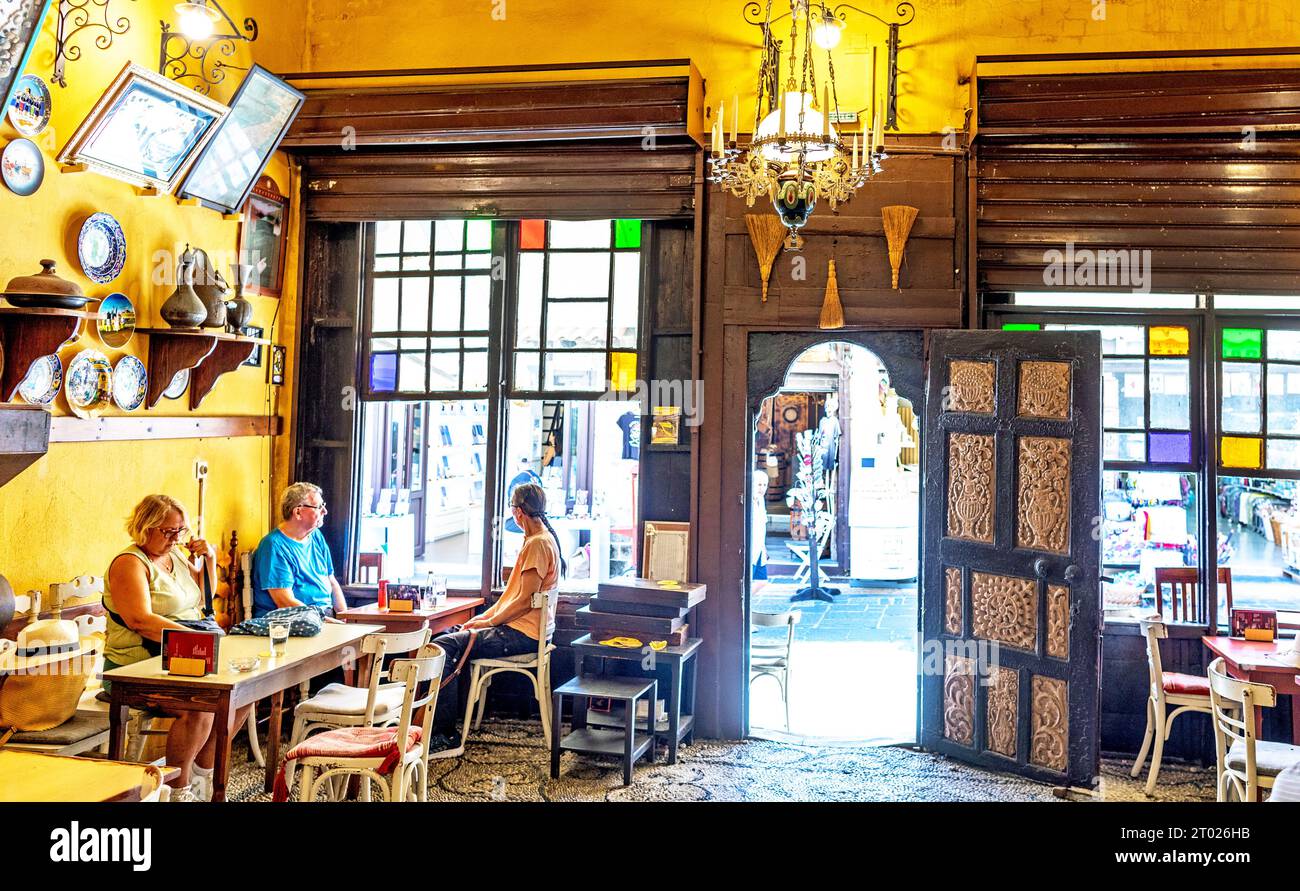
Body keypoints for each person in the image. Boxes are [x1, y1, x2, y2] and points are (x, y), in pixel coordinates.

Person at [104, 495, 251, 801]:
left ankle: (202, 775)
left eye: (180, 531)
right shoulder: (129, 563)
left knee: (244, 694)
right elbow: (140, 621)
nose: (176, 539)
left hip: (183, 655)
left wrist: (209, 557)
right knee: (199, 705)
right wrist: (195, 641)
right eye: (168, 532)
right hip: (138, 665)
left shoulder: (177, 558)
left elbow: (202, 601)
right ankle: (178, 790)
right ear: (145, 527)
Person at [429, 482, 564, 752]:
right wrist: (481, 619)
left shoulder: (538, 544)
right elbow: (511, 598)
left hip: (522, 635)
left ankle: (444, 734)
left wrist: (488, 622)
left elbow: (524, 602)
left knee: (444, 646)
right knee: (444, 638)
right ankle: (435, 726)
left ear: (518, 512)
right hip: (521, 631)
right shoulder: (539, 539)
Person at [252, 482, 347, 618]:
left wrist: (345, 618)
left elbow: (331, 581)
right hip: (293, 621)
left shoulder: (315, 536)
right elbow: (285, 602)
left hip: (324, 616)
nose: (324, 511)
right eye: (319, 507)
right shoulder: (273, 546)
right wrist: (323, 621)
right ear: (298, 512)